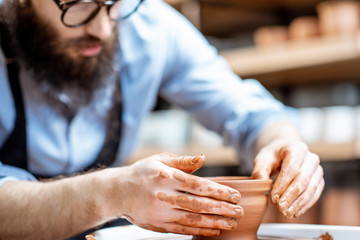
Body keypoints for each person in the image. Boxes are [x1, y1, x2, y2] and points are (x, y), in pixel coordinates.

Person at [0, 0, 325, 239]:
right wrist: (110, 193)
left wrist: (282, 142)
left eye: (112, 3)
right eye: (78, 4)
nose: (102, 29)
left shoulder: (147, 25)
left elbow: (246, 112)